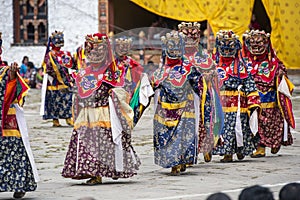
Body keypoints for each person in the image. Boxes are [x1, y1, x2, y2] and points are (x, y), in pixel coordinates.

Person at [62, 33, 142, 184]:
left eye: (98, 51)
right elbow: (78, 92)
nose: (94, 55)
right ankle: (94, 173)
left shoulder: (111, 72)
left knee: (105, 143)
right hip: (86, 114)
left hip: (105, 113)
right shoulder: (83, 73)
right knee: (88, 143)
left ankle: (112, 169)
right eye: (91, 52)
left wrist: (113, 94)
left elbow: (122, 90)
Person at [151, 31, 205, 175]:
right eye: (171, 47)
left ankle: (179, 162)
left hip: (185, 108)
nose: (174, 51)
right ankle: (173, 161)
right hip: (165, 110)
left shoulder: (190, 68)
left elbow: (199, 86)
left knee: (183, 136)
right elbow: (151, 88)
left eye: (177, 48)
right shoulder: (160, 71)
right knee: (166, 136)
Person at [242, 30, 294, 158]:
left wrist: (281, 74)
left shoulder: (273, 61)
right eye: (253, 43)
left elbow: (281, 68)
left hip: (270, 99)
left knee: (272, 123)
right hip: (254, 99)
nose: (256, 46)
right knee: (256, 122)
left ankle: (276, 142)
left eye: (259, 43)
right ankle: (260, 147)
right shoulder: (245, 61)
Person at [212, 30, 261, 162]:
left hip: (238, 103)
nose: (227, 52)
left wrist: (253, 100)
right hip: (220, 103)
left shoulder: (241, 66)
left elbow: (250, 84)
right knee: (222, 127)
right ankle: (227, 153)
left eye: (230, 49)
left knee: (238, 127)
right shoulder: (214, 64)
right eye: (224, 49)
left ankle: (239, 149)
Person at [0, 35, 39, 198]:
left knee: (15, 149)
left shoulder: (5, 71)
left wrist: (13, 78)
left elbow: (16, 94)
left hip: (8, 120)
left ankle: (20, 184)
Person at [178, 22, 224, 163]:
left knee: (204, 121)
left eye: (194, 36)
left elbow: (213, 71)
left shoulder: (203, 55)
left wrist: (209, 76)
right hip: (182, 97)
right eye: (187, 36)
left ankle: (206, 146)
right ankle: (187, 153)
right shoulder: (176, 55)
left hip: (202, 95)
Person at [113, 36, 152, 126]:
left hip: (128, 90)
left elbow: (140, 70)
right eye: (119, 47)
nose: (122, 50)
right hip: (115, 89)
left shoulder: (130, 61)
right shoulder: (112, 61)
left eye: (124, 48)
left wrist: (131, 68)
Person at [40, 31, 75, 127]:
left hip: (65, 80)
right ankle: (55, 120)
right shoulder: (50, 55)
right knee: (54, 101)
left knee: (67, 99)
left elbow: (69, 64)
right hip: (54, 81)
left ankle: (68, 118)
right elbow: (48, 68)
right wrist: (58, 72)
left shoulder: (64, 53)